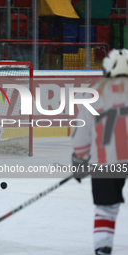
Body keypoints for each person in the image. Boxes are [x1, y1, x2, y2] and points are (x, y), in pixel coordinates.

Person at [71, 49, 128, 255]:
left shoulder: (95, 94)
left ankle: (103, 247)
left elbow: (81, 137)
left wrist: (79, 160)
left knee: (106, 208)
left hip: (106, 162)